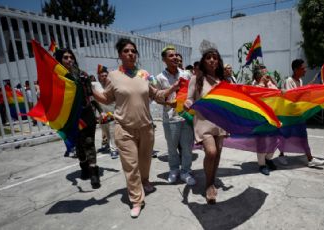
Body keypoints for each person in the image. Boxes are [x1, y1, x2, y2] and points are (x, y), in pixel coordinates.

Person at [92, 38, 179, 218]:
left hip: (146, 127)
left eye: (133, 51)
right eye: (126, 51)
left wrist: (172, 91)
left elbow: (156, 94)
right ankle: (136, 199)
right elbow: (107, 98)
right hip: (124, 129)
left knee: (145, 161)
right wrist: (91, 92)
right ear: (120, 55)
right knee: (131, 166)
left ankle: (145, 181)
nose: (131, 54)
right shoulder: (113, 76)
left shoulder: (144, 74)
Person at [184, 48, 228, 204]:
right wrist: (187, 104)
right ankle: (208, 184)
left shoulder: (222, 80)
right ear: (203, 61)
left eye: (215, 58)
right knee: (211, 152)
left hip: (220, 123)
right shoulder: (196, 79)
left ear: (218, 61)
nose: (211, 60)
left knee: (217, 154)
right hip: (203, 123)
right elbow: (190, 98)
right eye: (208, 57)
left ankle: (212, 180)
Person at [54, 48, 101, 189]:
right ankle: (84, 166)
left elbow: (91, 95)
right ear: (59, 60)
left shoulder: (83, 75)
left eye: (71, 57)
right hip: (71, 116)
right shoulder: (57, 78)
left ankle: (94, 172)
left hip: (86, 114)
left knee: (89, 142)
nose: (69, 60)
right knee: (79, 144)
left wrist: (100, 111)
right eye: (65, 57)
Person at [155, 46, 196, 185]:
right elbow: (157, 98)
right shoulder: (160, 78)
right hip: (170, 118)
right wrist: (168, 102)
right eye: (171, 56)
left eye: (176, 55)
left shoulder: (186, 75)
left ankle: (186, 171)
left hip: (186, 116)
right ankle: (173, 170)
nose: (175, 58)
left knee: (187, 147)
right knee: (172, 148)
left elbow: (193, 93)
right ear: (164, 59)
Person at [280, 59, 324, 167]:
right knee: (284, 136)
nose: (305, 70)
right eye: (303, 68)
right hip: (289, 116)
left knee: (303, 136)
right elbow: (291, 98)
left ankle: (310, 158)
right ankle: (281, 155)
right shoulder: (289, 81)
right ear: (296, 70)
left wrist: (308, 88)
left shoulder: (299, 81)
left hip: (298, 115)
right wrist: (305, 90)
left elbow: (299, 94)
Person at [95, 66, 119, 159]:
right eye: (102, 75)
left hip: (112, 112)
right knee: (105, 132)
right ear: (99, 77)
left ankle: (114, 150)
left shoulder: (112, 85)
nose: (104, 77)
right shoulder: (95, 86)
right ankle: (109, 145)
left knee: (112, 132)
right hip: (101, 114)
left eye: (106, 75)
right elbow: (93, 100)